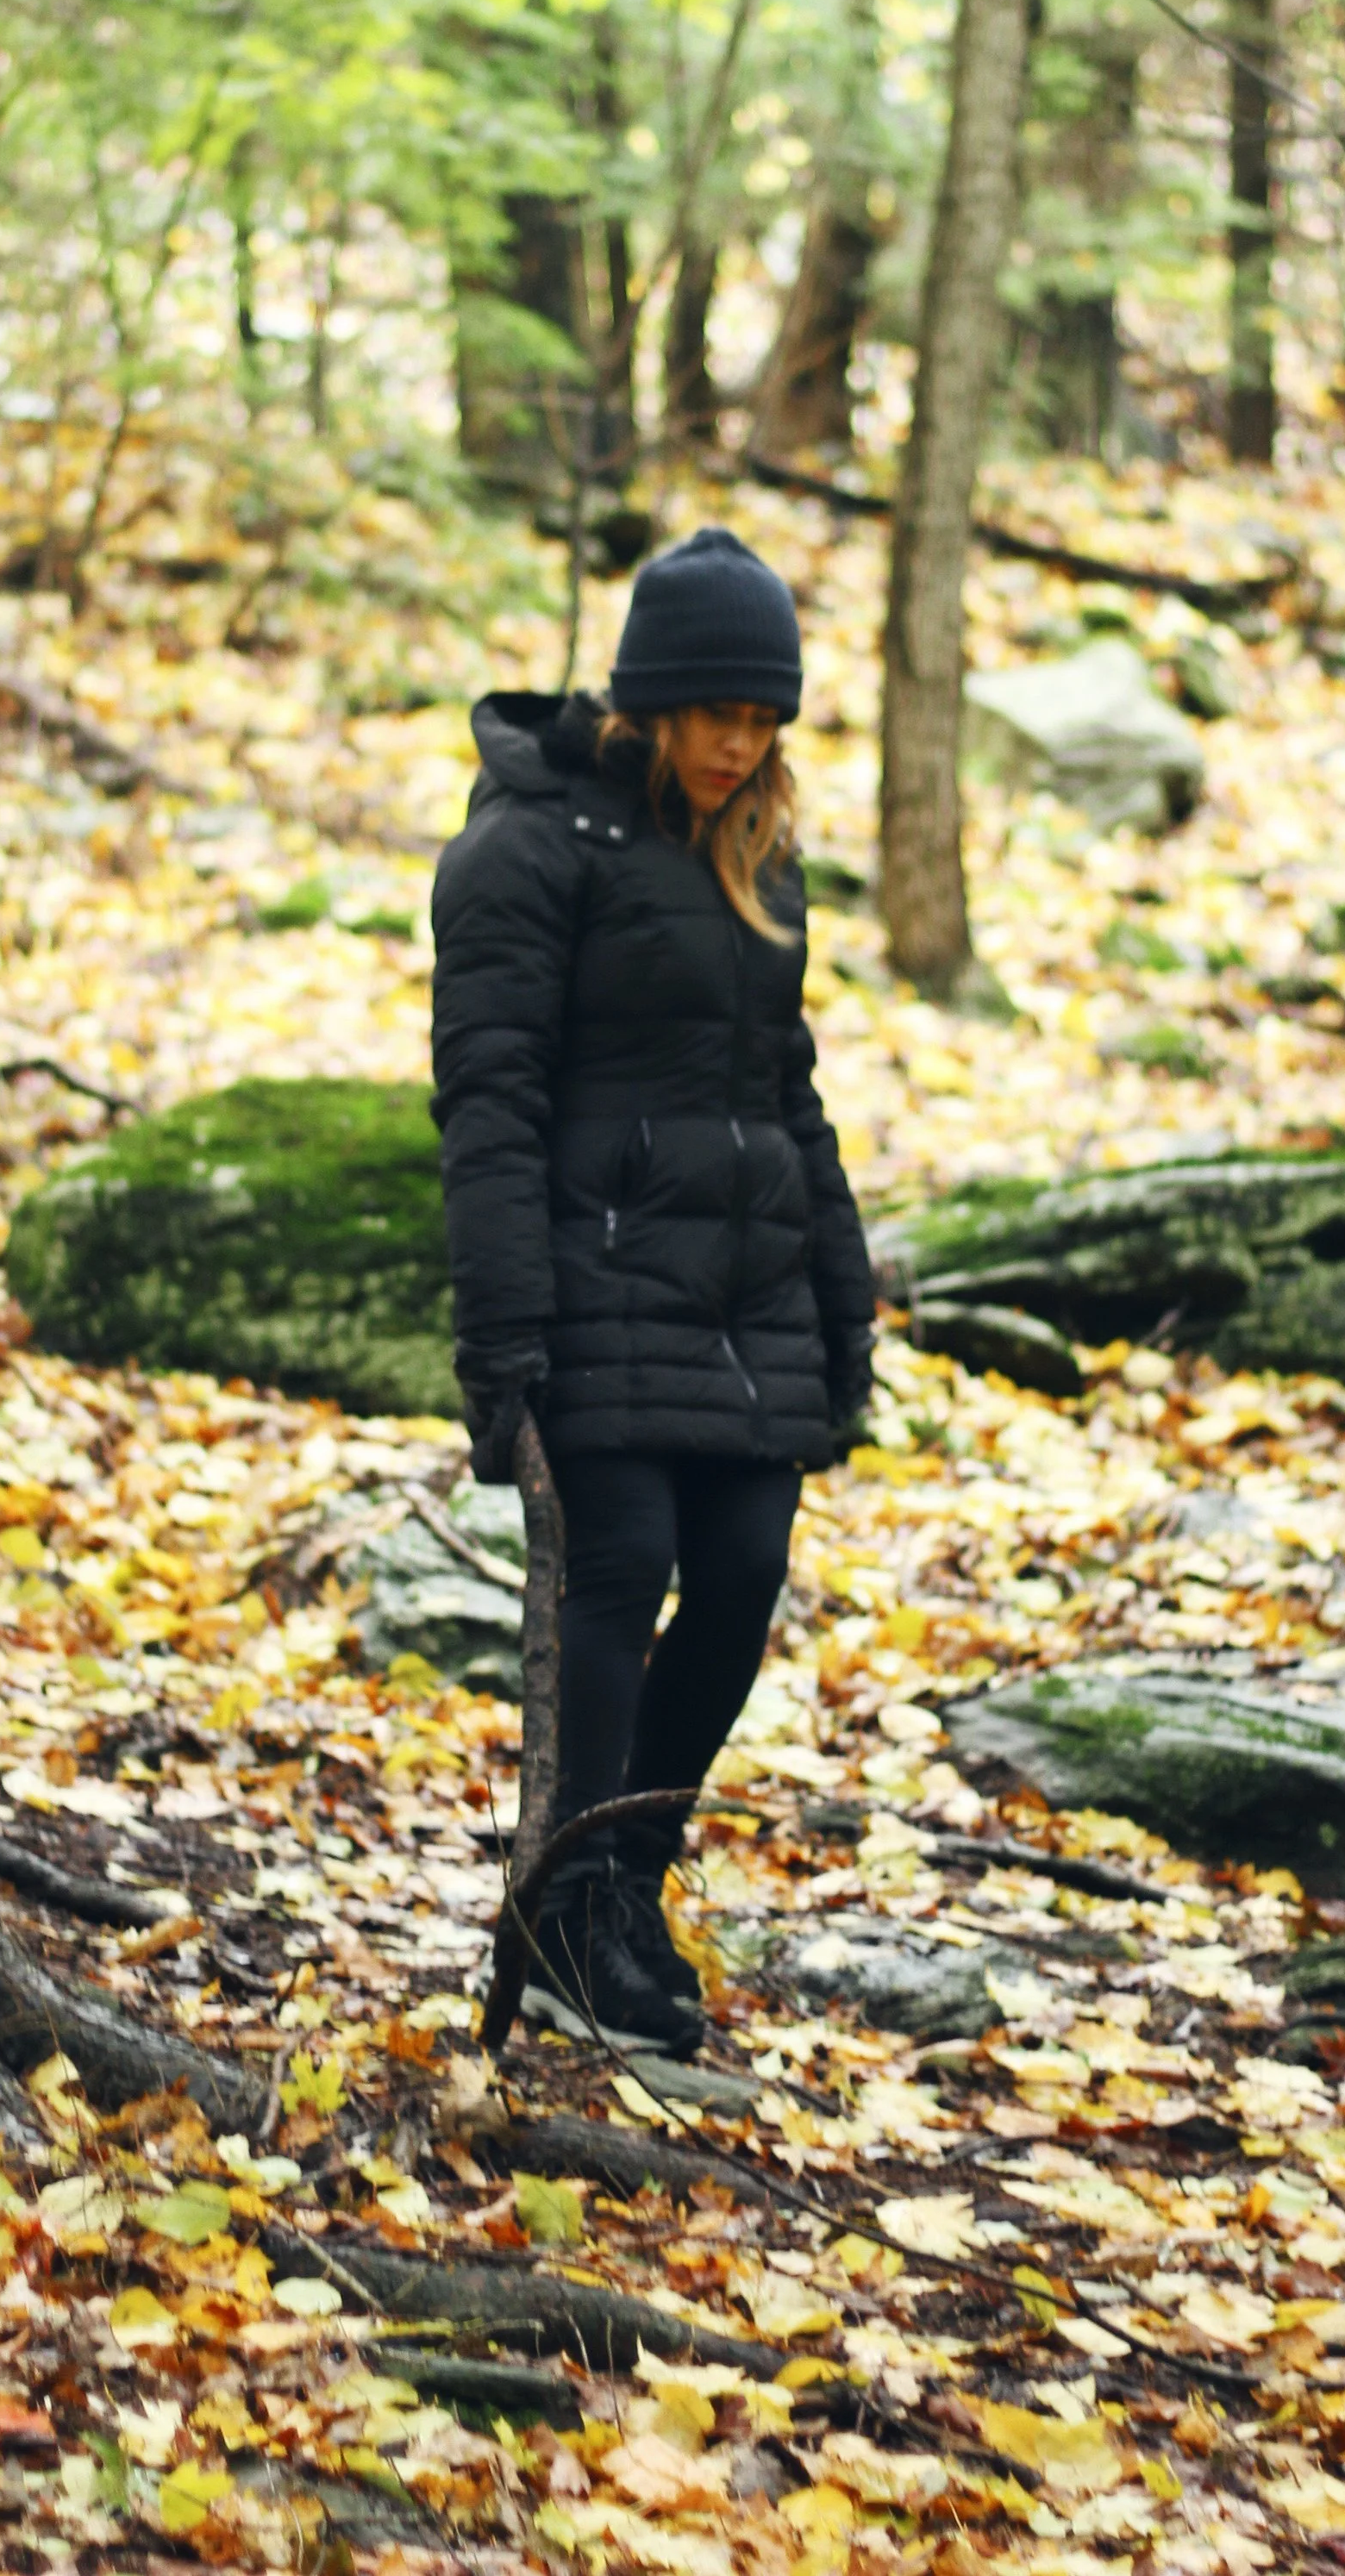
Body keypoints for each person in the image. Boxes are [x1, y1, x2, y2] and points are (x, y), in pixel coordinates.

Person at [429, 526, 877, 2054]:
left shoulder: (760, 864)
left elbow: (787, 1097)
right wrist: (505, 1339)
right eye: (713, 715)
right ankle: (567, 1911)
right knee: (620, 1566)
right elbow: (488, 1101)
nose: (737, 743)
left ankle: (623, 1877)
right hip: (590, 1285)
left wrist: (843, 1297)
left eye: (761, 720)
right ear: (648, 702)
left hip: (743, 1304)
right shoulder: (529, 847)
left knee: (744, 1571)